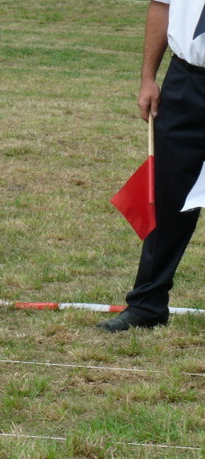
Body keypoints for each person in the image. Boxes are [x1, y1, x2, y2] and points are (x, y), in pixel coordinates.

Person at [98, 0, 205, 332]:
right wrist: (148, 78)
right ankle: (147, 305)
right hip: (186, 81)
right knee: (168, 195)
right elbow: (161, 5)